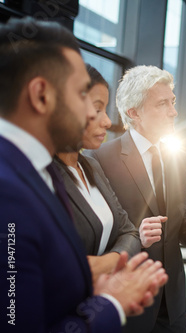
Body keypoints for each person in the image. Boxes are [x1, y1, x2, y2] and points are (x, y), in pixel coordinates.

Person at [0, 17, 167, 332]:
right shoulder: (7, 191)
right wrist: (110, 304)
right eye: (81, 95)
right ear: (40, 96)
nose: (94, 115)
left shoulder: (40, 170)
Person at [88, 65, 186, 333]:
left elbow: (182, 216)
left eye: (172, 102)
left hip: (173, 304)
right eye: (163, 104)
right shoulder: (100, 159)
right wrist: (138, 234)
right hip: (129, 301)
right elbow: (97, 234)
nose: (174, 111)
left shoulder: (177, 157)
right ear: (134, 113)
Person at [55, 64, 143, 283]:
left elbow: (129, 232)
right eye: (97, 109)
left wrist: (106, 264)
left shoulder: (90, 166)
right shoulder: (36, 176)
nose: (106, 121)